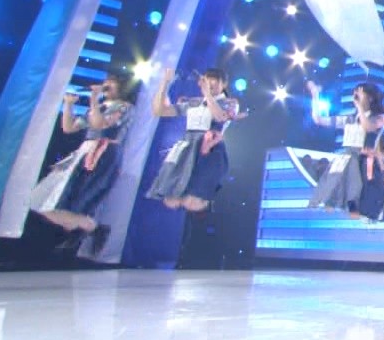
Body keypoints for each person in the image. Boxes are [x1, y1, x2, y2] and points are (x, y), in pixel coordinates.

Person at [27, 73, 133, 256]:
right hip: (85, 150)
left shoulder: (124, 107)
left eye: (112, 83)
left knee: (81, 198)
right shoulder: (99, 106)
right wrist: (69, 105)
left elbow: (100, 124)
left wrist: (93, 99)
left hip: (104, 152)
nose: (107, 85)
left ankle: (88, 228)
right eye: (106, 82)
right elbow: (69, 128)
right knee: (49, 199)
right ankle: (89, 228)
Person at [146, 67, 241, 213]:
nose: (210, 84)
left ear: (224, 84)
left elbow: (220, 117)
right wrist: (165, 83)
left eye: (215, 81)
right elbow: (160, 110)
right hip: (187, 147)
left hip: (208, 149)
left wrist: (207, 94)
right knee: (172, 196)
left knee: (194, 197)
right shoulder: (194, 102)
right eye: (207, 80)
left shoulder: (230, 103)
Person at [306, 81, 384, 221]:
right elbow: (318, 120)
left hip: (364, 162)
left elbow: (368, 127)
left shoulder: (380, 117)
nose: (356, 95)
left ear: (371, 97)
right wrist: (315, 96)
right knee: (332, 193)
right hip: (345, 160)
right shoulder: (349, 119)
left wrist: (360, 108)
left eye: (360, 92)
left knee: (357, 194)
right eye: (355, 92)